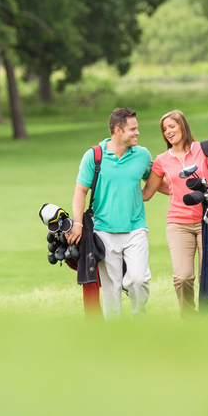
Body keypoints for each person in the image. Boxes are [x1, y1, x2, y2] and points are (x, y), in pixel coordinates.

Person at [142, 110, 208, 316]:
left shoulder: (204, 150)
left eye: (172, 126)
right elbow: (147, 193)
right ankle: (188, 317)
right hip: (178, 224)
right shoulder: (161, 160)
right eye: (164, 129)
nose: (168, 132)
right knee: (183, 277)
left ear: (183, 126)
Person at [68, 107, 154, 320]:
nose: (137, 132)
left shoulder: (142, 155)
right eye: (133, 129)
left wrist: (184, 190)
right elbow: (80, 191)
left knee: (137, 279)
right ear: (117, 130)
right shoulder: (94, 156)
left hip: (135, 229)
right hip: (104, 231)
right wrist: (77, 223)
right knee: (111, 290)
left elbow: (157, 180)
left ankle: (138, 318)